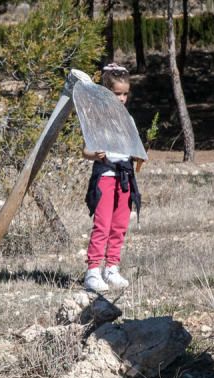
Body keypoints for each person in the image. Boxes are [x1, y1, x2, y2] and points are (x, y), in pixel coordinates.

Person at [81, 64, 141, 293]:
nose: (122, 98)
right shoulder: (98, 119)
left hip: (125, 176)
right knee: (102, 224)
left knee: (119, 224)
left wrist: (138, 156)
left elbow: (134, 148)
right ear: (107, 93)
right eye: (117, 94)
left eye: (125, 94)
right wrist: (95, 154)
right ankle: (93, 271)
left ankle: (112, 268)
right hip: (106, 175)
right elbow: (85, 150)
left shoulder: (129, 120)